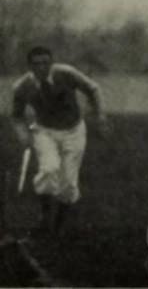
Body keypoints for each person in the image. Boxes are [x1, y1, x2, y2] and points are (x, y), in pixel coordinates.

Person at [11, 46, 109, 237]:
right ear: (29, 66)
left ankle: (58, 226)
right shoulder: (22, 87)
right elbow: (16, 116)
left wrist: (100, 116)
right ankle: (44, 219)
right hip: (44, 131)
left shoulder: (66, 73)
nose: (42, 68)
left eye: (45, 63)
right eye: (36, 64)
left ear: (51, 63)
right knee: (48, 169)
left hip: (74, 131)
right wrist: (22, 133)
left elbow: (93, 89)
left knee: (68, 184)